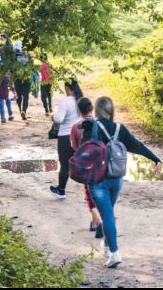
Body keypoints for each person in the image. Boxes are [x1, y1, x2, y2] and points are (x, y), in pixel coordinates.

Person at [80, 96, 162, 268]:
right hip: (116, 179)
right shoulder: (120, 129)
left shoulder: (92, 127)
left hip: (98, 180)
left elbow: (83, 151)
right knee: (108, 213)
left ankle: (115, 253)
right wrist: (155, 159)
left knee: (107, 215)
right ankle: (107, 246)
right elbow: (137, 146)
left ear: (96, 110)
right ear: (112, 111)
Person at [70, 97, 103, 240]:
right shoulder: (101, 124)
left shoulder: (76, 127)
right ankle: (94, 223)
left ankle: (99, 220)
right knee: (99, 192)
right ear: (92, 108)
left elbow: (74, 146)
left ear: (79, 111)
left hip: (86, 164)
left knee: (89, 194)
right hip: (101, 163)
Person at [49, 79, 83, 200]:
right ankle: (91, 190)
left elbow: (59, 119)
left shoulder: (66, 101)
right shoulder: (81, 100)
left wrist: (53, 117)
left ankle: (61, 190)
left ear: (67, 88)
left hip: (66, 136)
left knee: (65, 165)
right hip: (80, 135)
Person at [12, 41, 32, 120]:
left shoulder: (14, 56)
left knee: (19, 96)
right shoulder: (27, 55)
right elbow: (31, 65)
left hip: (17, 78)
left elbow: (11, 67)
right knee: (25, 96)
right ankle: (23, 111)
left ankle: (21, 110)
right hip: (26, 78)